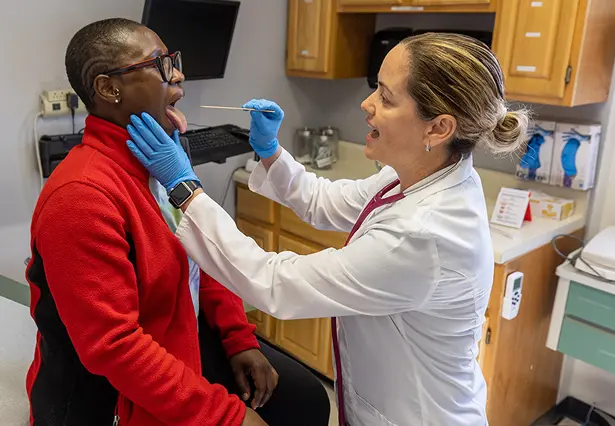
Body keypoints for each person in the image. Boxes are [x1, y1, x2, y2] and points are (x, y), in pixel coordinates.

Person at [127, 33, 529, 425]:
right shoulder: (416, 176)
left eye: (386, 98)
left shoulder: (424, 234)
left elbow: (273, 282)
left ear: (438, 129)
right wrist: (270, 152)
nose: (367, 103)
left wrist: (183, 187)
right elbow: (323, 201)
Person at [25, 18, 329, 426]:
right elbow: (114, 347)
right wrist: (224, 417)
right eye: (160, 64)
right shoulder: (81, 196)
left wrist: (239, 339)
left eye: (173, 60)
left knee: (305, 401)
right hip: (107, 393)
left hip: (175, 334)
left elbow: (205, 255)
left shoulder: (161, 163)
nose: (179, 74)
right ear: (108, 88)